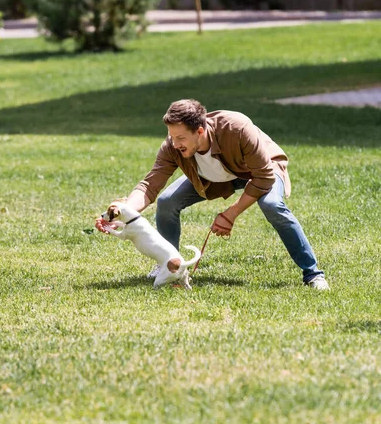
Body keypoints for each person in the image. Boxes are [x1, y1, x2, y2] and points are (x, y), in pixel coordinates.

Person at [96, 99, 329, 290]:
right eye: (171, 136)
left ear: (200, 130)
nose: (174, 143)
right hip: (214, 177)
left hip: (261, 170)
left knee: (272, 206)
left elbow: (264, 177)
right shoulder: (173, 145)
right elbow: (150, 185)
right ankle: (170, 266)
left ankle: (313, 274)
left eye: (181, 138)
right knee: (167, 201)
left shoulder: (237, 128)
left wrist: (231, 213)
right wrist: (120, 212)